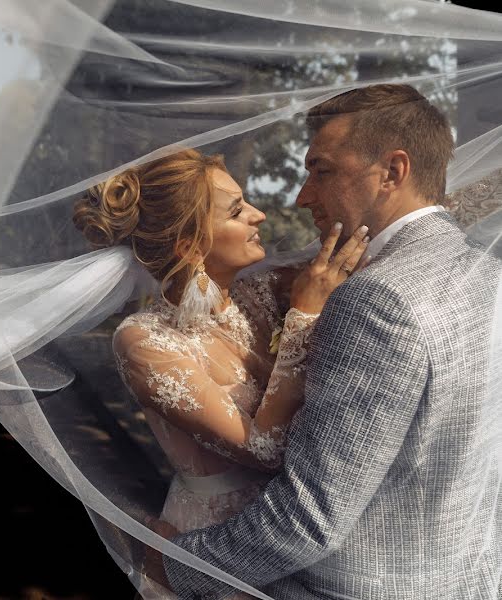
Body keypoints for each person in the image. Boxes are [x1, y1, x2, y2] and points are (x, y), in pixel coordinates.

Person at [151, 84, 502, 599]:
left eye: (322, 170)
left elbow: (310, 519)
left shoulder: (376, 300)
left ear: (393, 172)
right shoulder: (489, 274)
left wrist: (173, 564)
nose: (301, 196)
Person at [74, 147, 370, 598]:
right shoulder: (144, 342)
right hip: (211, 548)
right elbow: (262, 448)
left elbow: (360, 247)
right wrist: (304, 319)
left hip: (295, 531)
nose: (260, 216)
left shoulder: (265, 290)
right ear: (189, 244)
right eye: (237, 211)